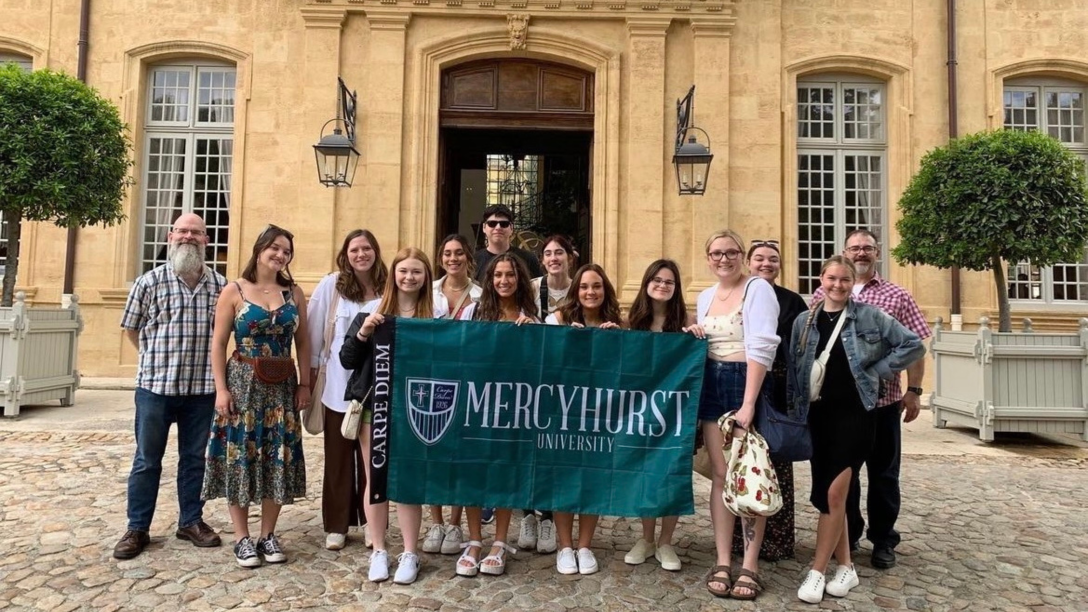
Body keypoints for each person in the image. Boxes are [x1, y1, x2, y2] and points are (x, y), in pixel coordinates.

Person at [793, 256, 924, 603]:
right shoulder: (804, 321)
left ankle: (817, 571)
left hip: (856, 416)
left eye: (845, 280)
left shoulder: (869, 315)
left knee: (834, 495)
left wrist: (878, 369)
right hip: (818, 417)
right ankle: (847, 567)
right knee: (827, 493)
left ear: (854, 283)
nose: (838, 285)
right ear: (821, 279)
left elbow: (913, 343)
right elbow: (796, 367)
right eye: (832, 278)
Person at [115, 213, 227, 559]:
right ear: (170, 236)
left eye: (196, 232)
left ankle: (190, 520)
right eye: (183, 231)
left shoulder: (221, 286)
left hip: (202, 389)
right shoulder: (148, 283)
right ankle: (137, 528)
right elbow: (132, 330)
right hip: (155, 389)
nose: (189, 237)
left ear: (206, 240)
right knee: (147, 460)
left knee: (195, 460)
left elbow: (224, 338)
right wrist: (154, 359)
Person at [203, 224, 311, 568]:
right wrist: (221, 389)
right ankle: (241, 538)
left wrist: (305, 383)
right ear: (260, 248)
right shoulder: (234, 290)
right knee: (240, 454)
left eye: (287, 251)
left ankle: (268, 534)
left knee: (276, 453)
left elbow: (304, 341)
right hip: (243, 382)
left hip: (281, 385)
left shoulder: (294, 293)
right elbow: (219, 343)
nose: (281, 255)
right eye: (275, 248)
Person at [341, 247, 448, 584]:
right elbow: (346, 359)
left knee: (408, 480)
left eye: (416, 272)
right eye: (403, 271)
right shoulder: (371, 313)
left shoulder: (436, 317)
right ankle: (379, 550)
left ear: (425, 277)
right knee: (375, 478)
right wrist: (364, 333)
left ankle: (410, 552)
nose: (409, 277)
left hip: (414, 410)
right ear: (394, 275)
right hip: (375, 408)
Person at [685, 230, 779, 600]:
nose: (723, 259)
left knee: (748, 472)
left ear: (742, 255)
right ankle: (724, 558)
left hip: (745, 382)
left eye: (730, 252)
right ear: (707, 258)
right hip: (712, 380)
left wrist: (750, 402)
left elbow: (761, 345)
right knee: (721, 474)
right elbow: (708, 340)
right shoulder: (706, 295)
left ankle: (750, 564)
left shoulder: (757, 289)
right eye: (716, 253)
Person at [454, 253, 538, 577]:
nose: (504, 281)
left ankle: (500, 542)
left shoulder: (528, 316)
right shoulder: (472, 313)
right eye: (498, 275)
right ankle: (474, 540)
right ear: (489, 279)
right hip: (476, 403)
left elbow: (538, 364)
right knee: (472, 473)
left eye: (511, 275)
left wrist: (533, 334)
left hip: (512, 407)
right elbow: (457, 354)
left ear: (520, 280)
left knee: (504, 471)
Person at [307, 229, 386, 552]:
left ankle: (371, 522)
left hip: (374, 385)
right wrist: (309, 378)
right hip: (338, 384)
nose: (361, 255)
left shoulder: (387, 286)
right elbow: (315, 331)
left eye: (367, 248)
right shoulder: (332, 286)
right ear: (346, 253)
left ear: (376, 252)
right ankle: (337, 524)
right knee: (338, 459)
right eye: (355, 249)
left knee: (372, 461)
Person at [728, 239, 807, 562]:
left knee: (775, 462)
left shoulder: (792, 301)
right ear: (748, 262)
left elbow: (802, 346)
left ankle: (777, 540)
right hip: (738, 385)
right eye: (759, 258)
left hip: (776, 388)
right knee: (739, 461)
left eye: (773, 259)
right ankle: (736, 541)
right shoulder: (737, 294)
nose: (766, 264)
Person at [546, 263, 622, 575]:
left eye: (597, 286)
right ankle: (565, 545)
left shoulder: (616, 324)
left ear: (605, 291)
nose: (591, 292)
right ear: (576, 290)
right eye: (585, 287)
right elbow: (544, 361)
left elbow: (628, 372)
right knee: (563, 478)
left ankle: (586, 544)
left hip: (600, 416)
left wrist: (619, 342)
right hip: (563, 412)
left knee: (593, 478)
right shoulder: (557, 319)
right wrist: (565, 340)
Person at [622, 259, 693, 572]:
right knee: (646, 475)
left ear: (676, 288)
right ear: (647, 283)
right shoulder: (633, 322)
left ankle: (666, 540)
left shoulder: (685, 321)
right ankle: (647, 538)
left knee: (672, 474)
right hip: (642, 412)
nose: (663, 286)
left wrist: (697, 336)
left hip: (674, 414)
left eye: (669, 282)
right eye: (657, 280)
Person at [517, 234, 577, 555]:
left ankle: (550, 517)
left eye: (559, 253)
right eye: (549, 254)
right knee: (529, 447)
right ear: (542, 260)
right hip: (533, 376)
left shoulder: (581, 286)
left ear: (570, 256)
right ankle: (527, 513)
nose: (554, 258)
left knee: (555, 448)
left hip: (567, 379)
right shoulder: (531, 287)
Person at [423, 234, 481, 555]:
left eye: (459, 253)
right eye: (447, 253)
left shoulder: (480, 295)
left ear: (467, 257)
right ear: (440, 258)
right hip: (433, 379)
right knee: (433, 448)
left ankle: (456, 523)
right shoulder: (428, 291)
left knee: (459, 453)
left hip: (466, 380)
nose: (453, 258)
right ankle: (435, 521)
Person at [473, 204, 544, 282]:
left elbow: (538, 289)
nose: (498, 227)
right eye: (492, 223)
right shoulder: (474, 261)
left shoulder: (528, 259)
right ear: (484, 227)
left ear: (511, 228)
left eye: (504, 224)